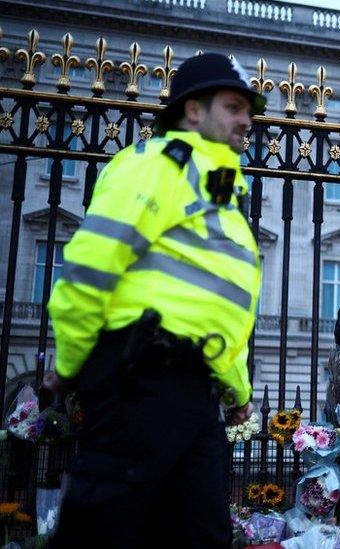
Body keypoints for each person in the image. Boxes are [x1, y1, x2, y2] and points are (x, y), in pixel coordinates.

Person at [45, 52, 265, 546]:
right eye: (233, 106)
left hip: (194, 392)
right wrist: (69, 363)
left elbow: (220, 305)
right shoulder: (154, 166)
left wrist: (238, 392)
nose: (246, 120)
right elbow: (90, 266)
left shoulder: (222, 193)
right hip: (139, 378)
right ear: (193, 110)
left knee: (202, 536)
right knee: (103, 531)